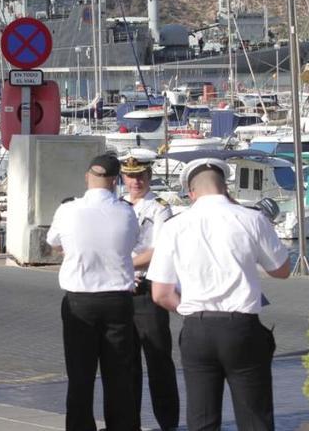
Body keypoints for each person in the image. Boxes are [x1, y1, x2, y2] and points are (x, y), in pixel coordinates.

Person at [147, 158, 291, 431]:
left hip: (197, 327)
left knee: (202, 419)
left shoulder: (174, 226)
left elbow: (160, 294)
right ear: (226, 188)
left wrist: (191, 311)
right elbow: (281, 270)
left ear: (191, 193)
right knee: (254, 417)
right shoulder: (252, 219)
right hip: (241, 326)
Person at [46, 153, 140, 431]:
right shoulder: (126, 211)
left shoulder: (68, 210)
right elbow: (132, 243)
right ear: (114, 181)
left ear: (88, 177)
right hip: (117, 301)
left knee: (80, 376)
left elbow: (53, 242)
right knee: (119, 376)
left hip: (80, 302)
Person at [119, 150, 179, 431]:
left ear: (148, 176)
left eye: (140, 176)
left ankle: (168, 423)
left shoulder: (159, 207)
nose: (135, 182)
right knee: (125, 363)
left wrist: (125, 266)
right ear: (123, 177)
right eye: (130, 176)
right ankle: (129, 422)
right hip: (120, 291)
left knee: (158, 362)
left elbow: (160, 250)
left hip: (146, 289)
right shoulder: (117, 206)